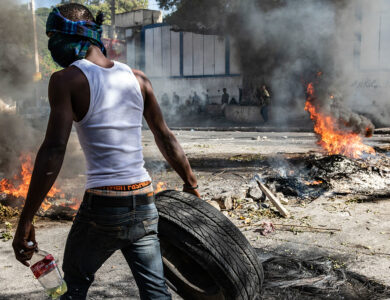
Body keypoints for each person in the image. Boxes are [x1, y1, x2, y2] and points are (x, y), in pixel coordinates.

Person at [12, 4, 200, 300]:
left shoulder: (65, 80)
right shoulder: (139, 79)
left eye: (52, 38)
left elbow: (53, 150)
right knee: (156, 293)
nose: (52, 47)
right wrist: (191, 183)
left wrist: (26, 219)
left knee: (73, 285)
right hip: (143, 201)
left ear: (68, 37)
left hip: (103, 207)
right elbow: (165, 136)